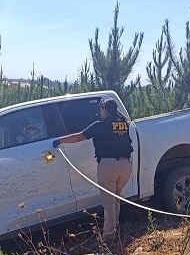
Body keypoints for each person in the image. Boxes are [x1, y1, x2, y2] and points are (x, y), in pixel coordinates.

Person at [53, 98, 134, 242]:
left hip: (109, 166)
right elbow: (126, 119)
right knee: (115, 199)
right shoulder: (124, 123)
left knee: (108, 203)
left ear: (104, 110)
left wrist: (60, 140)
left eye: (101, 109)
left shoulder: (100, 125)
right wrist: (114, 110)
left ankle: (109, 237)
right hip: (126, 165)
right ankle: (115, 230)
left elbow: (79, 137)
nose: (100, 112)